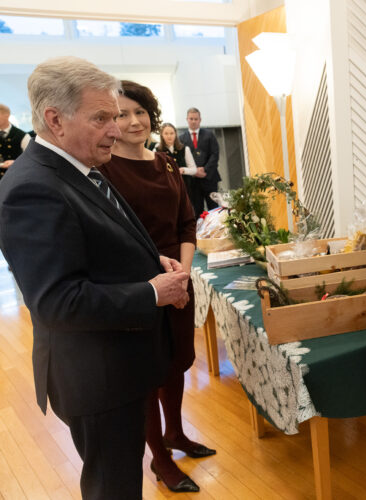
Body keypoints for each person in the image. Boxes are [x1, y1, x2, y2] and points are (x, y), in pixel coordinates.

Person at [0, 57, 189, 499]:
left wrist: (152, 265)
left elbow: (99, 249)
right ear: (55, 120)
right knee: (112, 487)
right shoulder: (34, 187)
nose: (115, 129)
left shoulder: (78, 168)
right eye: (102, 117)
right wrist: (150, 293)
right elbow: (56, 301)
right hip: (97, 378)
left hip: (115, 366)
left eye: (116, 116)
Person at [99, 81, 216, 494]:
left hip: (178, 278)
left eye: (139, 112)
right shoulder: (103, 170)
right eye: (121, 114)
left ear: (151, 115)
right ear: (109, 121)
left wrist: (181, 278)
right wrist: (162, 283)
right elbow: (112, 239)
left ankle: (176, 434)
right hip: (139, 286)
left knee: (177, 364)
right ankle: (160, 459)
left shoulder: (166, 162)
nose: (133, 121)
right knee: (148, 374)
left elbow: (187, 222)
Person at [179, 107, 220, 217]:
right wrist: (194, 171)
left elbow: (215, 154)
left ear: (200, 120)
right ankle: (200, 233)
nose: (193, 121)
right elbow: (181, 159)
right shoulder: (181, 139)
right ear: (187, 119)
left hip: (209, 178)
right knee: (196, 210)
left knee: (214, 209)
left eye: (196, 119)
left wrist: (205, 169)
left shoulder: (209, 135)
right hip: (193, 181)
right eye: (191, 119)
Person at [155, 122, 198, 205]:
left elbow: (194, 170)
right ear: (162, 135)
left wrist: (183, 170)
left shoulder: (185, 149)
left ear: (175, 134)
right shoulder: (156, 151)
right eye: (166, 133)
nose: (169, 136)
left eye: (171, 133)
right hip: (166, 189)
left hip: (184, 187)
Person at [0, 103, 31, 173]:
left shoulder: (23, 136)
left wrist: (16, 162)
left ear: (6, 115)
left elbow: (32, 157)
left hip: (15, 176)